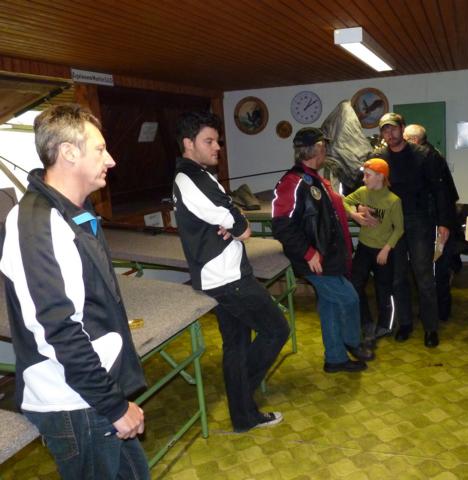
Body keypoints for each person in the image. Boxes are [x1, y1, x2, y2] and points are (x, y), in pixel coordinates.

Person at [0, 104, 149, 479]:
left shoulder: (72, 211)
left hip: (90, 392)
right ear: (68, 152)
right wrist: (114, 406)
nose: (111, 160)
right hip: (73, 402)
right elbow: (59, 330)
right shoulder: (38, 222)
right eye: (100, 149)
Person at [173, 111, 290, 433]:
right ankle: (240, 397)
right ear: (188, 143)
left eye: (218, 141)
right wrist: (234, 222)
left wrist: (232, 220)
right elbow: (240, 226)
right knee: (276, 330)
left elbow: (231, 215)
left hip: (224, 274)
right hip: (226, 279)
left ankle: (243, 416)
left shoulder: (200, 175)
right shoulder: (191, 178)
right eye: (209, 141)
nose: (217, 147)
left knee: (236, 345)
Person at [272, 127, 374, 373]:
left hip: (330, 255)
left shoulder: (315, 179)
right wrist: (308, 253)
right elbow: (281, 225)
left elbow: (327, 215)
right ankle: (352, 341)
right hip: (315, 259)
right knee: (349, 298)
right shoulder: (292, 182)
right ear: (316, 149)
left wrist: (352, 213)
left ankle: (335, 359)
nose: (326, 151)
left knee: (329, 306)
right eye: (324, 147)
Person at [376, 113, 457, 347]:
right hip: (393, 224)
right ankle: (405, 324)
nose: (390, 134)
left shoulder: (425, 155)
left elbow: (441, 190)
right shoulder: (378, 158)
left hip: (419, 221)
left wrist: (444, 223)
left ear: (402, 128)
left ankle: (431, 328)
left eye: (393, 128)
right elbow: (365, 186)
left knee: (424, 276)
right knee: (398, 277)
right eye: (385, 130)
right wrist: (361, 207)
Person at [403, 124, 461, 322]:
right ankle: (437, 311)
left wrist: (443, 224)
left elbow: (441, 195)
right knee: (434, 268)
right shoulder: (432, 154)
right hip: (436, 220)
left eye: (405, 139)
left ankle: (438, 312)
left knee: (436, 268)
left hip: (435, 222)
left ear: (414, 140)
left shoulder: (429, 157)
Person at [343, 158, 403, 344]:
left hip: (383, 251)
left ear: (380, 177)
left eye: (367, 176)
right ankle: (366, 322)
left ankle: (385, 325)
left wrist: (386, 249)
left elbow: (399, 229)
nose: (363, 179)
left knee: (383, 289)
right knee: (355, 285)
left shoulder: (393, 201)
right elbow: (343, 201)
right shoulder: (363, 192)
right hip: (364, 247)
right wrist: (354, 213)